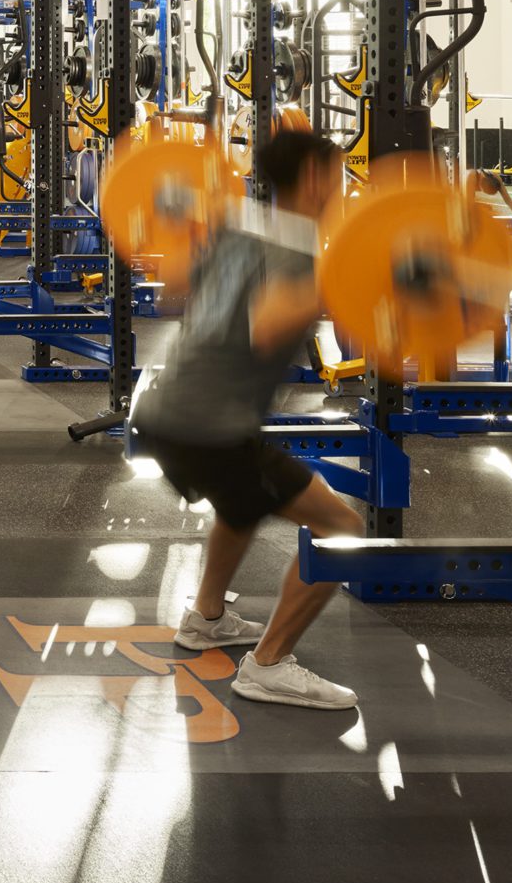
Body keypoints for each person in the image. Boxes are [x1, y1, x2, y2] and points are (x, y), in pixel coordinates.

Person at [133, 127, 362, 712]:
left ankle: (206, 617)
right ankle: (269, 665)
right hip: (211, 427)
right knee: (343, 528)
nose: (341, 188)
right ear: (313, 177)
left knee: (240, 506)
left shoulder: (234, 222)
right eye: (337, 175)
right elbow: (266, 324)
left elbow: (170, 294)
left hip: (166, 409)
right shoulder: (300, 246)